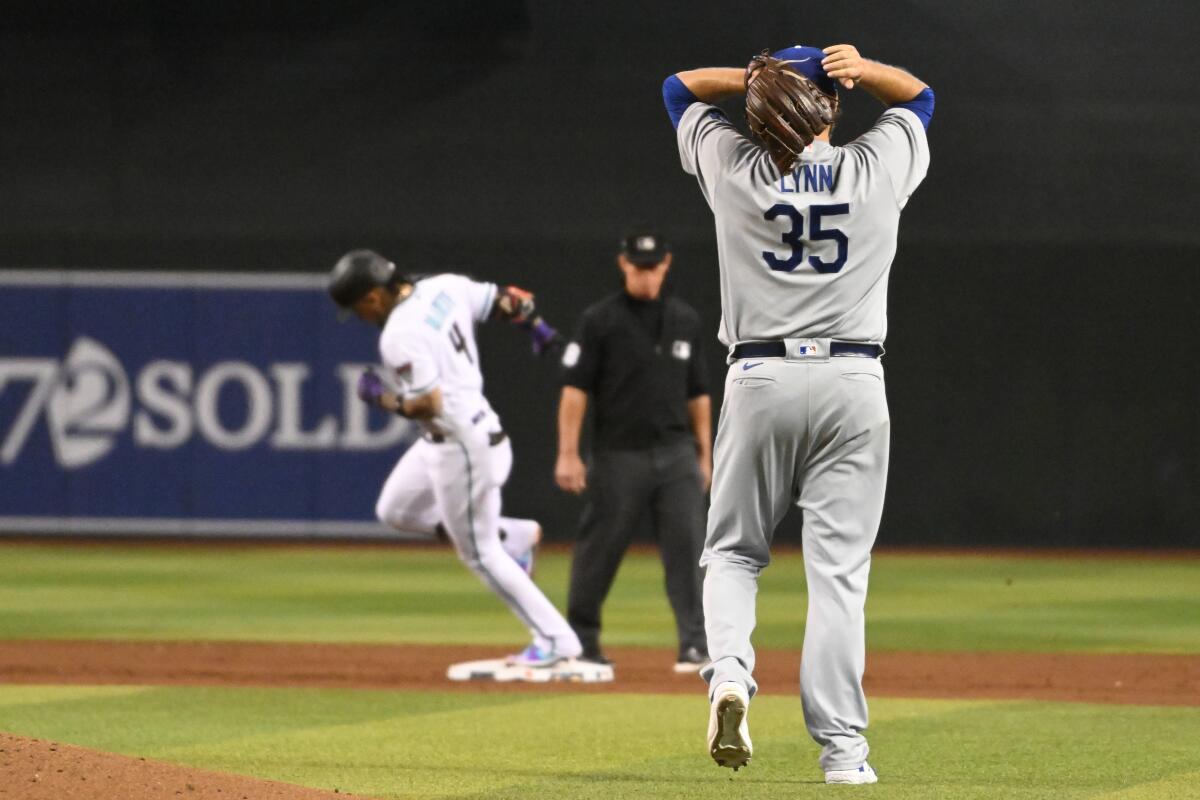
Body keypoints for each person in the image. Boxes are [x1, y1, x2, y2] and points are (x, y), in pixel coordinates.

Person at [663, 44, 934, 783]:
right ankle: (845, 756)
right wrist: (864, 68)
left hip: (761, 376)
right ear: (834, 104)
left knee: (733, 554)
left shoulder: (734, 166)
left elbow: (677, 90)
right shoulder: (876, 167)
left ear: (757, 112)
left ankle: (728, 676)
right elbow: (920, 100)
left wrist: (750, 82)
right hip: (853, 378)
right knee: (839, 573)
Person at [328, 249, 611, 682]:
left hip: (460, 444)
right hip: (464, 435)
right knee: (395, 510)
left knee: (479, 554)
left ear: (371, 297)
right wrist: (532, 322)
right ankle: (511, 533)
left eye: (359, 307)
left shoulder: (398, 334)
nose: (362, 316)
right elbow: (509, 299)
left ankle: (558, 642)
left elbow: (428, 402)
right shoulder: (444, 285)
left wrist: (380, 398)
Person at [555, 228, 712, 673]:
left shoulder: (685, 319)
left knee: (689, 552)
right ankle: (581, 642)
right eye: (638, 265)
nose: (646, 273)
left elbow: (698, 393)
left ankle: (695, 646)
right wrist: (568, 452)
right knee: (598, 551)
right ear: (624, 264)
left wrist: (706, 455)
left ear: (666, 263)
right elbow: (574, 390)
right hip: (619, 453)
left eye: (653, 265)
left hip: (676, 452)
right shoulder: (599, 320)